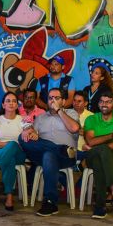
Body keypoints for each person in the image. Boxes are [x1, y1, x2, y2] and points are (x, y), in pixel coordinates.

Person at [19, 88, 81, 217]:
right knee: (23, 139)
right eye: (50, 98)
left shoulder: (71, 113)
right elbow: (33, 138)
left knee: (48, 156)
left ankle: (50, 201)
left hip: (66, 158)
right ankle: (59, 148)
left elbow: (74, 128)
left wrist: (59, 110)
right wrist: (29, 132)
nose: (52, 101)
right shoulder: (41, 118)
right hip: (48, 155)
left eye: (56, 98)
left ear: (64, 101)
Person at [83, 91, 113, 218]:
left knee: (101, 157)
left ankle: (100, 207)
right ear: (98, 103)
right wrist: (112, 135)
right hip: (92, 156)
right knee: (102, 152)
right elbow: (90, 141)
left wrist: (98, 147)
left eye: (108, 102)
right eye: (101, 101)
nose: (104, 104)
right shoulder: (91, 119)